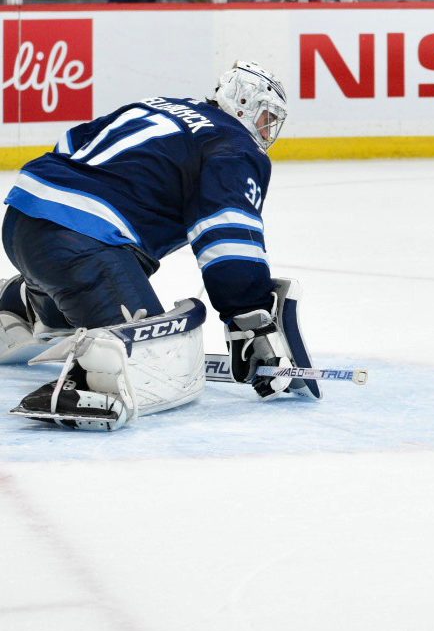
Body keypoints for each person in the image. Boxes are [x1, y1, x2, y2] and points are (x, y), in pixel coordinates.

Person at [0, 62, 320, 431]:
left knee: (79, 287)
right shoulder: (234, 144)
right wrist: (250, 322)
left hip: (23, 219)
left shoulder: (162, 105)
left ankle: (27, 302)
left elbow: (73, 143)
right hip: (78, 243)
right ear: (243, 103)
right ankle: (87, 386)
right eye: (265, 117)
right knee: (154, 360)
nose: (266, 129)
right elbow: (228, 233)